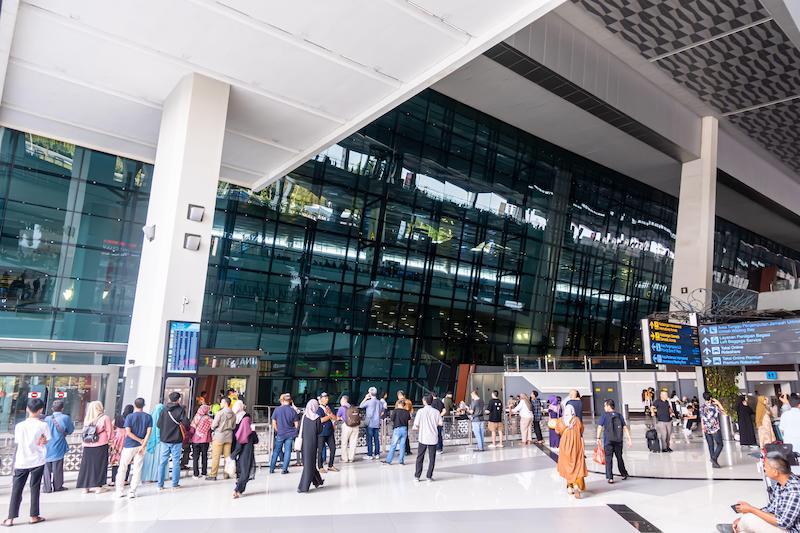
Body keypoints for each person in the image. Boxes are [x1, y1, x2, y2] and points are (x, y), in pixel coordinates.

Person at [717, 452, 800, 533]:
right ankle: (740, 527)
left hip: (792, 530)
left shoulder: (794, 490)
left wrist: (752, 510)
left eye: (766, 467)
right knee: (748, 518)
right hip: (784, 525)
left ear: (775, 472)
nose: (764, 469)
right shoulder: (781, 484)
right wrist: (748, 513)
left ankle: (738, 528)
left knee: (748, 520)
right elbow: (771, 508)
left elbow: (783, 523)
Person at [4, 398, 49, 527]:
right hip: (37, 460)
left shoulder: (20, 426)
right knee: (35, 488)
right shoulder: (43, 425)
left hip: (21, 461)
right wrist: (42, 440)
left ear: (27, 409)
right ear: (41, 410)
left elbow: (18, 442)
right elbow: (46, 440)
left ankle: (10, 518)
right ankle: (34, 516)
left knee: (16, 490)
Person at [116, 397, 151, 499]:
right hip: (141, 447)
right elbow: (149, 432)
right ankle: (132, 491)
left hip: (129, 445)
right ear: (144, 405)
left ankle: (119, 490)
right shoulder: (148, 417)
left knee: (122, 468)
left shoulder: (130, 417)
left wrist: (139, 441)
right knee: (137, 468)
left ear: (135, 405)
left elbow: (128, 432)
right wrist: (143, 443)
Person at [76, 400, 113, 493]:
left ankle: (85, 487)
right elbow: (110, 432)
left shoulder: (87, 418)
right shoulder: (105, 418)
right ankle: (97, 486)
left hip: (87, 444)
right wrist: (111, 442)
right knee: (99, 465)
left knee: (86, 465)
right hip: (100, 444)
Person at [156, 391, 189, 490]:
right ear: (178, 399)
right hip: (176, 439)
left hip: (165, 440)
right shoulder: (180, 410)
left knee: (162, 462)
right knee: (175, 462)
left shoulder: (163, 410)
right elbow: (186, 423)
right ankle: (174, 483)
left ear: (169, 399)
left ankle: (160, 484)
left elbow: (158, 424)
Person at [596, 399, 632, 484]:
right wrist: (629, 439)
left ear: (608, 406)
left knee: (608, 459)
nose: (604, 407)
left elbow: (600, 427)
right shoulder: (619, 415)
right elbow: (625, 428)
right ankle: (623, 473)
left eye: (605, 406)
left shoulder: (604, 416)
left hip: (608, 441)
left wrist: (598, 438)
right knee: (619, 457)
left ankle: (610, 477)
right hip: (618, 440)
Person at [556, 404, 587, 498]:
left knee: (567, 465)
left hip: (565, 445)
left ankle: (570, 486)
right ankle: (576, 484)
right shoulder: (577, 420)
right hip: (576, 445)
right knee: (576, 464)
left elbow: (557, 431)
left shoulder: (560, 421)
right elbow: (581, 430)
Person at [42, 399, 74, 493]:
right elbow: (71, 430)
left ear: (52, 408)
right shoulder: (65, 418)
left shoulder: (46, 419)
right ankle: (58, 486)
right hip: (58, 445)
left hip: (47, 446)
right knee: (57, 467)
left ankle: (46, 488)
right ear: (62, 408)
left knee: (46, 468)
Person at [413, 394, 443, 482]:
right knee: (432, 458)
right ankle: (429, 476)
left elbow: (416, 425)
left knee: (420, 457)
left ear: (424, 401)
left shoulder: (420, 411)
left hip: (423, 437)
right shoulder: (436, 412)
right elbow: (440, 423)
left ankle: (417, 476)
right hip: (433, 438)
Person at [231, 400, 257, 498]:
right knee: (245, 469)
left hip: (238, 445)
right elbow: (246, 435)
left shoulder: (235, 418)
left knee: (242, 469)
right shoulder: (246, 418)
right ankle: (237, 489)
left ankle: (238, 489)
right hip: (245, 445)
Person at [298, 399, 324, 493]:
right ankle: (303, 487)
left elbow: (299, 429)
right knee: (309, 464)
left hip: (304, 443)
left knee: (308, 463)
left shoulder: (304, 416)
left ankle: (318, 481)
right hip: (312, 443)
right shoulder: (316, 417)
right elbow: (320, 430)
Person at [271, 393, 299, 473]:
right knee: (287, 451)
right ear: (290, 401)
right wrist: (294, 431)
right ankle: (284, 469)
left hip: (280, 433)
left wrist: (277, 430)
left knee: (276, 451)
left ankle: (271, 469)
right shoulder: (292, 411)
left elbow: (274, 422)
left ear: (282, 401)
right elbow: (296, 424)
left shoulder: (277, 410)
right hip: (290, 434)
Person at [208, 397, 235, 480]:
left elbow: (213, 425)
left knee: (216, 456)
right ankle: (226, 474)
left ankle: (213, 475)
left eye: (222, 402)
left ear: (226, 403)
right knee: (227, 457)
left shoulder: (220, 413)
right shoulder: (233, 413)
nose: (220, 404)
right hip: (229, 436)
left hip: (219, 436)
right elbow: (234, 426)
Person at [701, 391, 727, 469]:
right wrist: (719, 403)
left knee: (710, 445)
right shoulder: (714, 407)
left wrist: (703, 427)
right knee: (720, 444)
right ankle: (714, 458)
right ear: (711, 398)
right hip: (715, 428)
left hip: (706, 429)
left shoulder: (702, 407)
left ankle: (714, 463)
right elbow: (724, 413)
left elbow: (702, 418)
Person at [141, 403, 164, 482]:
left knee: (150, 460)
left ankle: (147, 476)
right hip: (158, 442)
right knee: (159, 459)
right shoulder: (161, 418)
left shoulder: (150, 417)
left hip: (150, 441)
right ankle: (157, 476)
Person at [316, 392, 339, 472]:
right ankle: (320, 467)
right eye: (325, 398)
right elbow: (320, 420)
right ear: (320, 399)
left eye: (327, 398)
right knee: (320, 450)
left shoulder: (329, 407)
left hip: (329, 432)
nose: (327, 399)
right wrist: (329, 416)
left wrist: (330, 413)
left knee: (333, 448)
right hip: (321, 432)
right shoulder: (318, 409)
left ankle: (330, 465)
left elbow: (335, 418)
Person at [360, 387, 383, 460]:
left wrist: (365, 398)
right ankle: (377, 454)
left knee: (369, 439)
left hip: (370, 423)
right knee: (376, 439)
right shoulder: (379, 402)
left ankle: (370, 454)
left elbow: (361, 406)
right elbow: (381, 411)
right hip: (377, 422)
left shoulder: (369, 401)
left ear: (370, 393)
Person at [384, 399, 411, 465]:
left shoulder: (395, 411)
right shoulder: (407, 412)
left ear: (398, 404)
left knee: (393, 445)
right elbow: (409, 420)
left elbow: (392, 419)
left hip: (397, 429)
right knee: (402, 446)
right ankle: (401, 461)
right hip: (404, 429)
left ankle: (389, 460)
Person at [190, 404, 212, 479]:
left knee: (195, 458)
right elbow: (213, 427)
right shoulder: (208, 419)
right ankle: (204, 472)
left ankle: (195, 474)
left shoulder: (196, 417)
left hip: (195, 440)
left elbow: (192, 429)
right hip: (205, 440)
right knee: (204, 456)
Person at [337, 395, 360, 463]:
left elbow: (337, 417)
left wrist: (341, 418)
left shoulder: (342, 408)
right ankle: (351, 458)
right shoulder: (353, 407)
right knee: (353, 442)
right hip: (355, 426)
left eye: (341, 399)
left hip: (347, 426)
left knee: (344, 442)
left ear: (344, 400)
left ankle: (345, 458)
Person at [108, 412, 128, 486]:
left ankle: (113, 480)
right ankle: (124, 479)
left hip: (116, 448)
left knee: (115, 463)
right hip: (125, 448)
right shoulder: (127, 431)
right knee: (126, 463)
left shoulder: (116, 432)